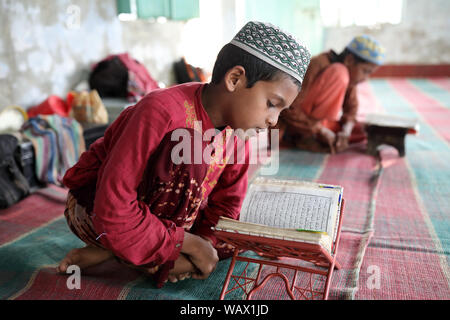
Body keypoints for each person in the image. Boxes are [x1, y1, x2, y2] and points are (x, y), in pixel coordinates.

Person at [57, 21, 311, 287]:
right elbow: (113, 208)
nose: (273, 121)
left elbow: (226, 207)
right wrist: (187, 245)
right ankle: (123, 249)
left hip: (171, 217)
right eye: (272, 104)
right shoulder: (160, 111)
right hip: (97, 211)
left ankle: (125, 251)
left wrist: (205, 246)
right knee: (190, 155)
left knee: (240, 233)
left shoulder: (240, 132)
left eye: (281, 111)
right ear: (235, 79)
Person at [278, 35, 385, 153]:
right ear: (349, 60)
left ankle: (324, 135)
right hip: (296, 123)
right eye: (365, 71)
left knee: (364, 130)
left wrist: (346, 131)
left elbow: (351, 110)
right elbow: (289, 107)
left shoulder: (351, 76)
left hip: (320, 124)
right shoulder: (322, 65)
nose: (366, 78)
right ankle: (304, 137)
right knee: (340, 72)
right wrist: (319, 130)